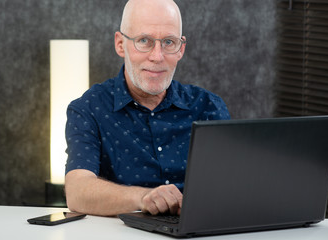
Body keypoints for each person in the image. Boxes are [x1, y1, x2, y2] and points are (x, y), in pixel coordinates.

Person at [65, 0, 230, 217]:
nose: (157, 56)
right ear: (120, 44)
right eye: (144, 41)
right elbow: (78, 192)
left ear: (181, 48)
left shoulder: (209, 108)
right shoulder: (88, 109)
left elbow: (232, 187)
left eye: (169, 42)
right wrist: (143, 198)